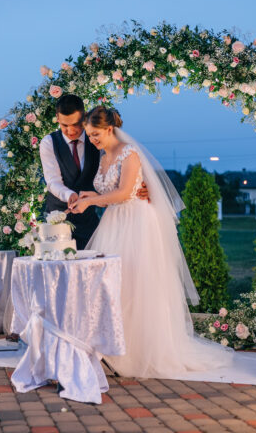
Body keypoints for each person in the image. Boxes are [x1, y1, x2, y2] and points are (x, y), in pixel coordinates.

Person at [68, 107, 233, 378]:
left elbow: (123, 193)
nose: (93, 139)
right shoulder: (102, 153)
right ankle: (112, 348)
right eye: (89, 135)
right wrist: (89, 194)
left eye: (95, 134)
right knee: (111, 285)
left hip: (135, 223)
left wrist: (89, 202)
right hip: (114, 222)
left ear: (109, 129)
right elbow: (110, 190)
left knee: (135, 284)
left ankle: (138, 350)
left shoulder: (129, 152)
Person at [40, 94, 147, 249]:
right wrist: (70, 195)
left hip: (90, 221)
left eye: (76, 124)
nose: (70, 131)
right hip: (58, 220)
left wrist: (139, 186)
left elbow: (122, 173)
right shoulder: (48, 143)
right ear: (57, 118)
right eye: (64, 125)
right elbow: (53, 181)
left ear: (83, 117)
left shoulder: (101, 141)